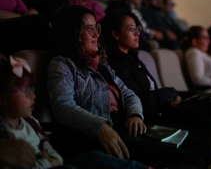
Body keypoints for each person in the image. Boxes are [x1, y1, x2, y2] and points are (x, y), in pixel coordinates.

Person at [47, 5, 208, 168]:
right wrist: (100, 127)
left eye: (96, 28)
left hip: (127, 127)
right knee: (193, 161)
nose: (96, 34)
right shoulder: (62, 64)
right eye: (89, 29)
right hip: (103, 136)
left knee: (202, 149)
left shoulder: (101, 64)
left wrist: (135, 115)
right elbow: (63, 106)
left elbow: (129, 94)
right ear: (72, 34)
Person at [101, 10, 211, 160]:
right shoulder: (116, 63)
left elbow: (151, 92)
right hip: (150, 119)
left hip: (161, 110)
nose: (138, 33)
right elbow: (142, 100)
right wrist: (171, 93)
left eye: (138, 28)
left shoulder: (132, 57)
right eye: (132, 29)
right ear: (116, 34)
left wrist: (170, 96)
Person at [0, 53, 152, 169]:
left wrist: (135, 115)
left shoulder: (31, 123)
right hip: (88, 135)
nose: (33, 95)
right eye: (25, 90)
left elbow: (54, 156)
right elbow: (63, 106)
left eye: (32, 88)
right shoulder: (5, 136)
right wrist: (48, 162)